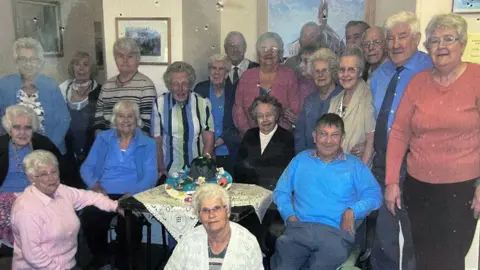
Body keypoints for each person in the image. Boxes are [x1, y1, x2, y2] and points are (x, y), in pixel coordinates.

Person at [385, 13, 480, 270]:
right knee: (425, 257)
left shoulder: (476, 77)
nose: (441, 46)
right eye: (434, 41)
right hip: (419, 188)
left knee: (449, 259)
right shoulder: (418, 83)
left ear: (462, 43)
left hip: (460, 190)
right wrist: (392, 182)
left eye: (448, 39)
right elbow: (399, 133)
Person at [271, 113, 382, 270]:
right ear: (315, 136)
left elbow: (374, 195)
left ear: (342, 138)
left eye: (334, 135)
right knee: (283, 265)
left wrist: (352, 211)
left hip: (335, 233)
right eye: (323, 134)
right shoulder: (300, 160)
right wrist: (290, 216)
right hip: (299, 228)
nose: (328, 141)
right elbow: (281, 191)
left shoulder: (355, 165)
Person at [369, 11, 432, 270]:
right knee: (384, 228)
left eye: (402, 37)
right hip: (384, 160)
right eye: (391, 38)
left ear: (417, 38)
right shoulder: (379, 75)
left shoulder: (430, 70)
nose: (395, 44)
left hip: (415, 161)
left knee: (414, 231)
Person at [11, 150, 122, 270]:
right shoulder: (26, 209)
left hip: (68, 264)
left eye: (54, 172)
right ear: (32, 178)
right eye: (43, 174)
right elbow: (33, 256)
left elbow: (90, 197)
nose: (51, 178)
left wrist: (115, 206)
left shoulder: (62, 191)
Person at [80, 101, 157, 269]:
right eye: (121, 116)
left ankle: (124, 265)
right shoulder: (103, 138)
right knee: (91, 218)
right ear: (114, 119)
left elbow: (150, 176)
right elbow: (86, 168)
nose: (126, 120)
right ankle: (103, 261)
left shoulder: (148, 143)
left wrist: (131, 195)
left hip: (132, 194)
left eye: (130, 116)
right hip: (103, 192)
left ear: (137, 119)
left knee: (129, 226)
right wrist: (96, 187)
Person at [165, 184, 263, 270]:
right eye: (205, 210)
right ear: (199, 216)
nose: (211, 215)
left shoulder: (247, 243)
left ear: (227, 211)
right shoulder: (188, 241)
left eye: (217, 208)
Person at [0, 37, 70, 154]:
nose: (28, 64)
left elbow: (64, 119)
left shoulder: (50, 85)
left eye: (33, 59)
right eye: (23, 59)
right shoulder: (4, 85)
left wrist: (48, 146)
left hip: (49, 148)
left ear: (39, 62)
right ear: (16, 62)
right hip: (13, 151)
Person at [153, 61, 214, 178]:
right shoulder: (159, 104)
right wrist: (161, 169)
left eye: (184, 83)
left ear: (190, 84)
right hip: (169, 171)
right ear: (169, 85)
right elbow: (157, 142)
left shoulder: (203, 103)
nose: (180, 89)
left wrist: (202, 169)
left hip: (196, 172)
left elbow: (209, 140)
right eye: (175, 84)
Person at [233, 32, 299, 135]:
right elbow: (238, 109)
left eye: (273, 49)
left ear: (280, 53)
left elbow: (294, 109)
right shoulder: (247, 76)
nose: (268, 53)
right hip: (250, 137)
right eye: (264, 49)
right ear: (258, 54)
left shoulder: (289, 75)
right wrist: (249, 134)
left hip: (281, 138)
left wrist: (278, 135)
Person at [93, 37, 157, 135]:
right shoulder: (107, 86)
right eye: (120, 56)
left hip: (135, 144)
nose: (125, 60)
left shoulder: (146, 86)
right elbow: (98, 121)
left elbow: (148, 126)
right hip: (108, 142)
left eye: (130, 56)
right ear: (115, 59)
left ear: (137, 59)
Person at [0, 105, 70, 192]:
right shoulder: (1, 145)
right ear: (9, 129)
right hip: (5, 198)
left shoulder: (44, 144)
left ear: (33, 129)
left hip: (38, 197)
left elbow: (63, 173)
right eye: (17, 128)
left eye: (27, 128)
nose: (22, 133)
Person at [235, 95, 294, 191]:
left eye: (269, 115)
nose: (265, 119)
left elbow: (282, 171)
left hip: (273, 192)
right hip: (248, 190)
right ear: (255, 118)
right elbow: (239, 166)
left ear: (276, 116)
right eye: (260, 116)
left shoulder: (287, 137)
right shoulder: (249, 134)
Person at [328, 46, 375, 165]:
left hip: (358, 168)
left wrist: (360, 176)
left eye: (351, 70)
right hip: (335, 167)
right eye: (341, 69)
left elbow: (371, 141)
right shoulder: (334, 100)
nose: (345, 74)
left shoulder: (369, 97)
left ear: (360, 72)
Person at [194, 54, 240, 173]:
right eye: (213, 68)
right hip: (204, 149)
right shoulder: (200, 89)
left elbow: (238, 122)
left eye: (221, 69)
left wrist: (222, 139)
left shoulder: (234, 91)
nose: (216, 72)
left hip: (227, 149)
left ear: (227, 73)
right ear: (209, 71)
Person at [294, 48, 342, 153]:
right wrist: (302, 158)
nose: (320, 75)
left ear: (333, 72)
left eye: (325, 70)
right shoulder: (309, 101)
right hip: (309, 158)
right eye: (317, 71)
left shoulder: (343, 97)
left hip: (335, 158)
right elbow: (299, 134)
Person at [59, 51, 102, 164]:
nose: (81, 69)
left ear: (91, 69)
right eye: (77, 64)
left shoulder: (101, 91)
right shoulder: (63, 89)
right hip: (68, 149)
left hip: (93, 149)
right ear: (72, 67)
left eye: (85, 65)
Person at [297, 44, 322, 108]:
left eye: (306, 61)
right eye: (300, 61)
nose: (301, 65)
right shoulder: (300, 83)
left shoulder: (324, 84)